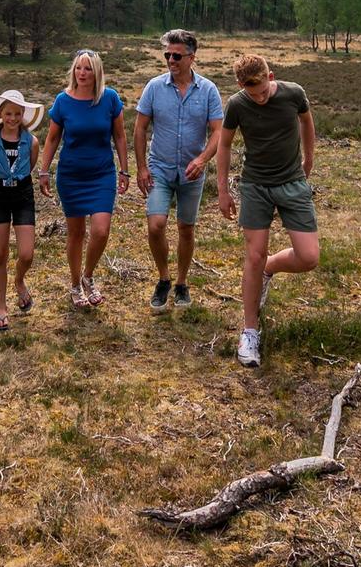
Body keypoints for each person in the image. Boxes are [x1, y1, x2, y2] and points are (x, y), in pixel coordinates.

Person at [217, 53, 319, 368]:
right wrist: (223, 190)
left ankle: (270, 267)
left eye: (263, 91)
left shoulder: (293, 93)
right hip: (255, 186)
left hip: (292, 182)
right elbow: (224, 144)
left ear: (270, 76)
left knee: (309, 257)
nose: (259, 98)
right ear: (240, 85)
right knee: (254, 254)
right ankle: (249, 332)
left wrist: (309, 159)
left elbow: (307, 122)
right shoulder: (236, 104)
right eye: (252, 93)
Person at [134, 28, 223, 313]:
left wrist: (202, 159)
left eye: (177, 56)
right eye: (167, 55)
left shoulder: (208, 90)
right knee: (155, 225)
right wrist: (141, 167)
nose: (171, 60)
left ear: (191, 58)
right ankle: (163, 278)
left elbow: (218, 131)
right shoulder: (154, 87)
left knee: (186, 228)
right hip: (159, 169)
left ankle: (182, 283)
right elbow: (140, 127)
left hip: (192, 173)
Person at [38, 48, 129, 308]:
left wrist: (124, 170)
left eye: (87, 68)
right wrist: (43, 171)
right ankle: (75, 284)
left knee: (100, 230)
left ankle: (88, 276)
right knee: (76, 233)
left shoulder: (109, 98)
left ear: (96, 72)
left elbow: (119, 136)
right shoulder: (63, 100)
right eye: (78, 67)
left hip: (102, 174)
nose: (82, 73)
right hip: (71, 176)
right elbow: (52, 138)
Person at [0, 89, 44, 331]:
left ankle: (19, 280)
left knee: (26, 254)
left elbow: (29, 167)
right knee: (0, 254)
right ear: (0, 114)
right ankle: (1, 307)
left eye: (17, 114)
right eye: (8, 113)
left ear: (23, 114)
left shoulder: (32, 142)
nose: (13, 118)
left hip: (23, 196)